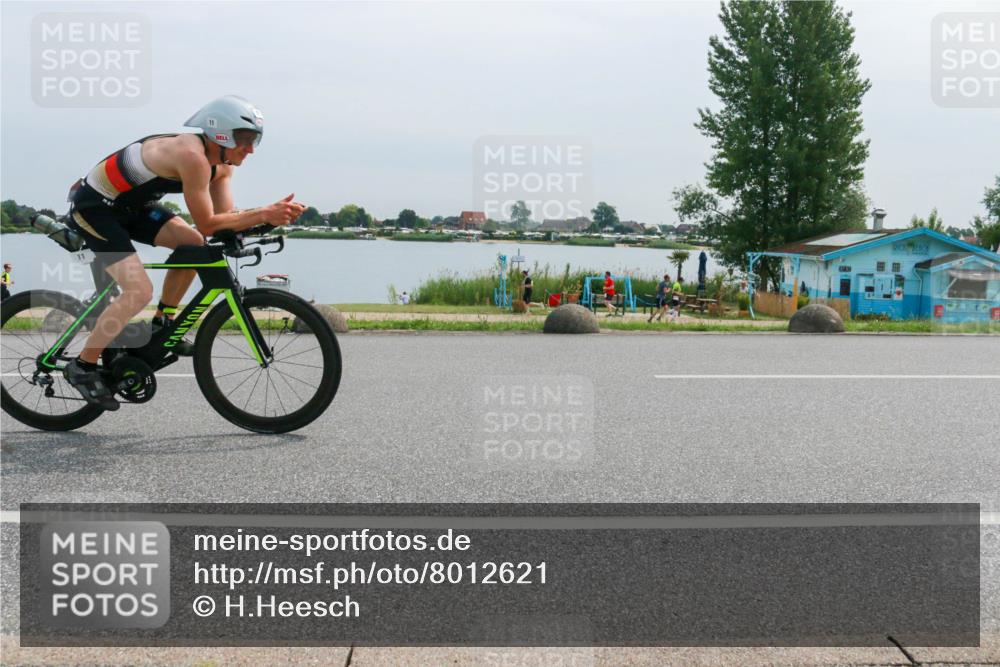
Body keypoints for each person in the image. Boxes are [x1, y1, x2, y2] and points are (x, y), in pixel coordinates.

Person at [62, 95, 304, 410]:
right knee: (138, 291)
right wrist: (263, 213)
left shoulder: (222, 167)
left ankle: (163, 322)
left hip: (133, 207)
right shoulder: (192, 157)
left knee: (194, 245)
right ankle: (83, 365)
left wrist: (266, 220)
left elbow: (223, 221)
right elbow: (207, 222)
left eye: (254, 139)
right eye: (244, 139)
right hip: (95, 208)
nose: (250, 149)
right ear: (221, 134)